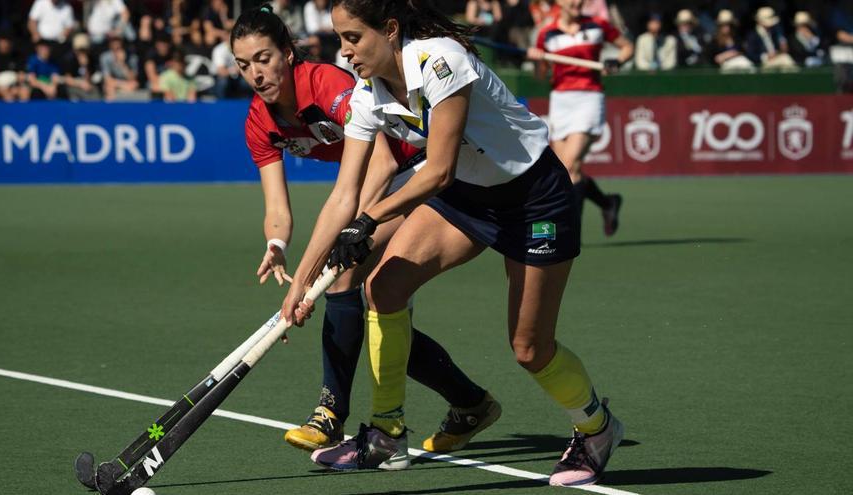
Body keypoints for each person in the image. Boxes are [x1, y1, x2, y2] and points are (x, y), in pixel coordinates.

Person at [281, 0, 623, 486]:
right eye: (340, 40)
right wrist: (302, 280)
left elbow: (437, 169)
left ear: (390, 30)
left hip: (534, 200)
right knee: (384, 287)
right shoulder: (367, 94)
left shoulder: (439, 59)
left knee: (530, 349)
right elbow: (344, 195)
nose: (345, 52)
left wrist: (369, 220)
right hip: (468, 197)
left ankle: (596, 429)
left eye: (353, 38)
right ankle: (386, 434)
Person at [230, 4, 500, 455]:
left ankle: (330, 414)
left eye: (263, 58)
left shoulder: (328, 85)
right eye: (243, 65)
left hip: (411, 171)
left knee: (349, 283)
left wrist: (358, 228)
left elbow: (384, 160)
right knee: (377, 311)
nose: (255, 74)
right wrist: (277, 244)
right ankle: (469, 401)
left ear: (288, 53)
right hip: (362, 191)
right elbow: (277, 204)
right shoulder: (259, 121)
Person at [528, 0, 632, 236]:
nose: (577, 2)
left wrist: (617, 61)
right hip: (561, 101)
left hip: (589, 97)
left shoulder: (597, 26)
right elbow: (540, 75)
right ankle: (608, 203)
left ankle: (569, 232)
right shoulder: (547, 34)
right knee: (564, 171)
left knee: (571, 165)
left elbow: (627, 47)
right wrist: (537, 59)